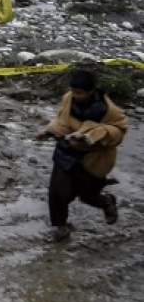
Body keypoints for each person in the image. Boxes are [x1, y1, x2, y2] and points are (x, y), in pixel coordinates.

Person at [37, 69, 127, 242]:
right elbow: (62, 121)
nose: (75, 96)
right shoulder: (68, 98)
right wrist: (48, 131)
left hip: (93, 158)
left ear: (91, 91)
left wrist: (92, 136)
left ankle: (107, 202)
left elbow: (118, 131)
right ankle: (61, 228)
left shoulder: (109, 111)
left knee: (88, 195)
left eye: (80, 93)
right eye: (73, 91)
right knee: (57, 192)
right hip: (66, 151)